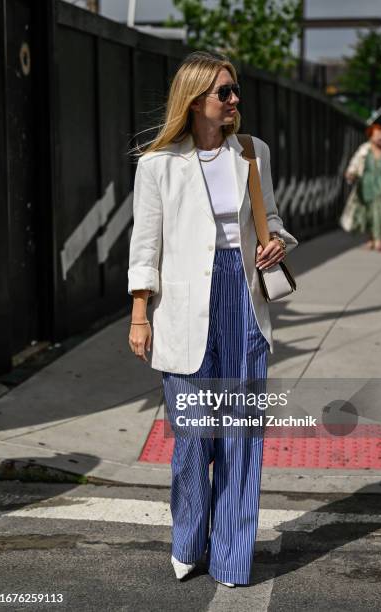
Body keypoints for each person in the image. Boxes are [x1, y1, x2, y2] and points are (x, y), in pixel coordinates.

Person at [127, 51, 298, 587]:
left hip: (243, 300)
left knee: (242, 439)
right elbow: (146, 244)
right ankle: (188, 540)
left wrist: (276, 243)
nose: (234, 100)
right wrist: (139, 314)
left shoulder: (252, 153)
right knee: (193, 438)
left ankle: (231, 555)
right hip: (183, 308)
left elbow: (270, 218)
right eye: (224, 92)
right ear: (195, 98)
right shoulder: (157, 165)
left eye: (235, 91)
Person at [340, 123, 381, 251]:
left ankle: (378, 239)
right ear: (371, 136)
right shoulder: (364, 149)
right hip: (365, 185)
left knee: (380, 211)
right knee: (367, 213)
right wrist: (351, 173)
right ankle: (371, 237)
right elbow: (355, 163)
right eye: (377, 135)